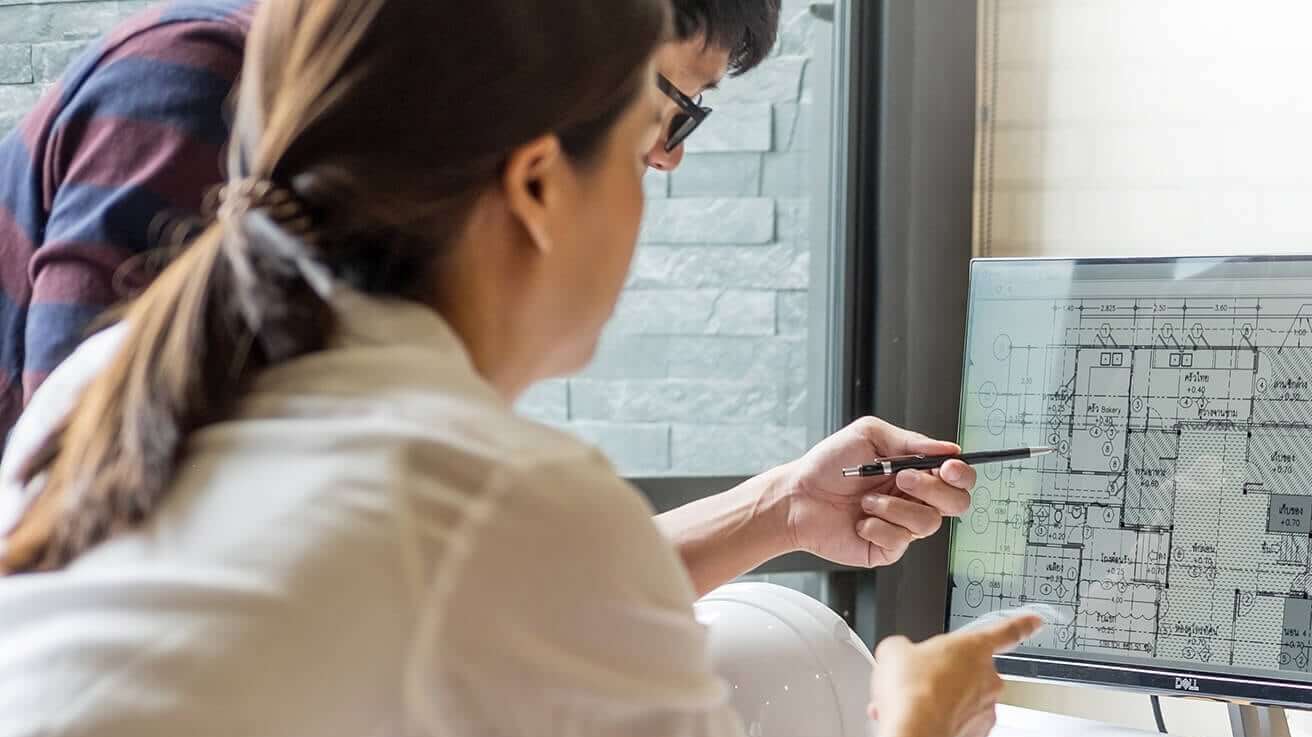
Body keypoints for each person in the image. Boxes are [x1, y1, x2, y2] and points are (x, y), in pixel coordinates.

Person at [0, 0, 1039, 737]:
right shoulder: (496, 491)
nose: (655, 192)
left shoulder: (101, 387)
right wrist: (916, 728)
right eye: (646, 145)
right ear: (541, 184)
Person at [0, 0, 787, 436]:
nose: (664, 156)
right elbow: (81, 493)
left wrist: (779, 508)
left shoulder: (419, 192)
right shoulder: (198, 77)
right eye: (673, 104)